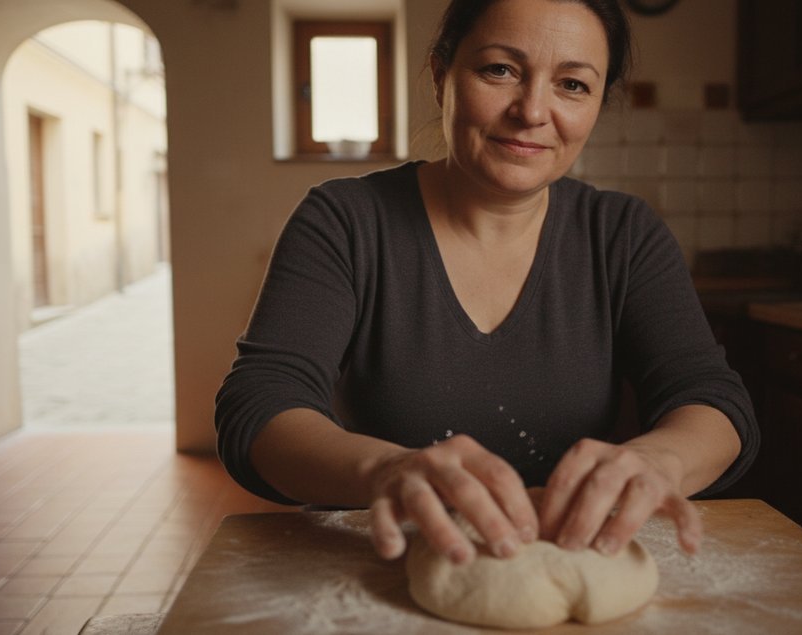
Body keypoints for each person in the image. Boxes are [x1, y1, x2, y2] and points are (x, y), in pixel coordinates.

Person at [215, 0, 758, 567]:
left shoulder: (621, 234)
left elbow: (713, 402)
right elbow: (261, 405)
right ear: (441, 74)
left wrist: (660, 461)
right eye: (499, 70)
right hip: (386, 563)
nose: (532, 111)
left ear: (597, 104)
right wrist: (386, 470)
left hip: (573, 562)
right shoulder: (346, 221)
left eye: (572, 84)